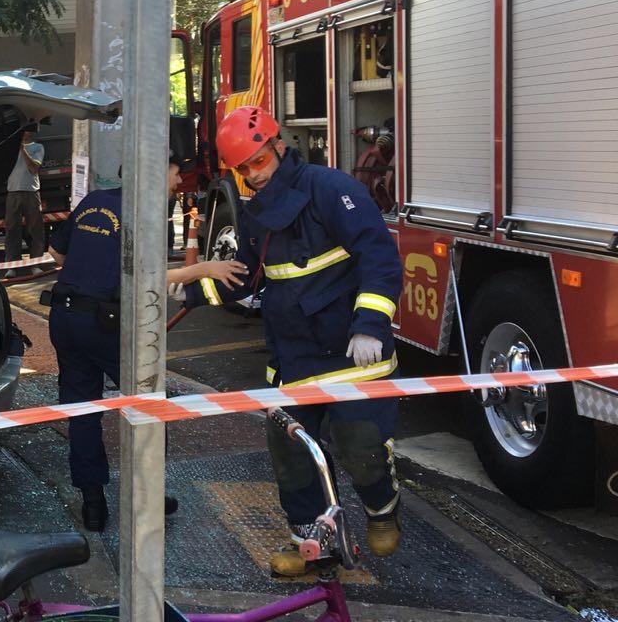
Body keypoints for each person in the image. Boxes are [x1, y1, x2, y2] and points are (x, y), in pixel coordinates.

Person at [178, 106, 404, 576]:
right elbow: (244, 276)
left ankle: (382, 510)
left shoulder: (333, 190)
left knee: (361, 447)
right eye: (242, 170)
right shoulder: (258, 214)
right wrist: (192, 292)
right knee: (293, 457)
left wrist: (370, 324)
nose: (253, 175)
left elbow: (379, 258)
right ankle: (311, 543)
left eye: (258, 162)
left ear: (278, 145)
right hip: (293, 356)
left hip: (351, 351)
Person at [47, 157, 247, 532]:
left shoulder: (94, 201)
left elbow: (58, 253)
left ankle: (93, 505)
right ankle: (147, 496)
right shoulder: (143, 214)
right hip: (104, 325)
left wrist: (93, 266)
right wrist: (208, 268)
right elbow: (149, 278)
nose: (179, 179)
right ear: (153, 169)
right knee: (148, 406)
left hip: (65, 317)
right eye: (174, 171)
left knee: (82, 410)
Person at [2, 126, 46, 279]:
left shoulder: (38, 147)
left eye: (26, 130)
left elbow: (34, 169)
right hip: (13, 192)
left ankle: (35, 264)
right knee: (12, 229)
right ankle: (12, 265)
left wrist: (22, 150)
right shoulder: (10, 149)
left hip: (31, 192)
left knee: (35, 228)